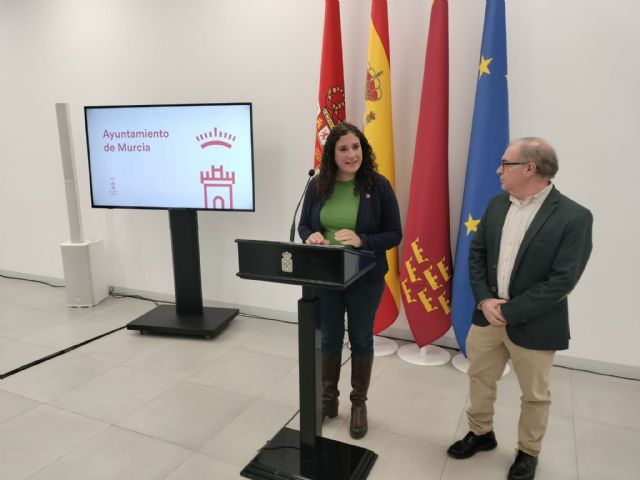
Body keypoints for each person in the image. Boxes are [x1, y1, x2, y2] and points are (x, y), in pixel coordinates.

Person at [447, 138, 593, 480]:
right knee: (480, 378)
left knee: (535, 395)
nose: (498, 170)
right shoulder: (497, 204)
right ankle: (481, 433)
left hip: (535, 323)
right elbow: (477, 254)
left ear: (530, 168)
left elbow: (563, 280)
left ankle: (528, 452)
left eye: (506, 163)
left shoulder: (574, 217)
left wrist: (509, 312)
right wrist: (485, 300)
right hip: (487, 316)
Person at [298, 122, 401, 439]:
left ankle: (358, 404)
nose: (351, 154)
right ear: (332, 154)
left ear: (363, 150)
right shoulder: (318, 185)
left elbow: (394, 234)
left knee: (360, 338)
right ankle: (328, 399)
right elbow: (304, 225)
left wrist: (362, 240)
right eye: (343, 149)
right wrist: (311, 235)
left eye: (356, 147)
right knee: (329, 338)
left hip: (364, 276)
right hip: (326, 274)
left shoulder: (378, 185)